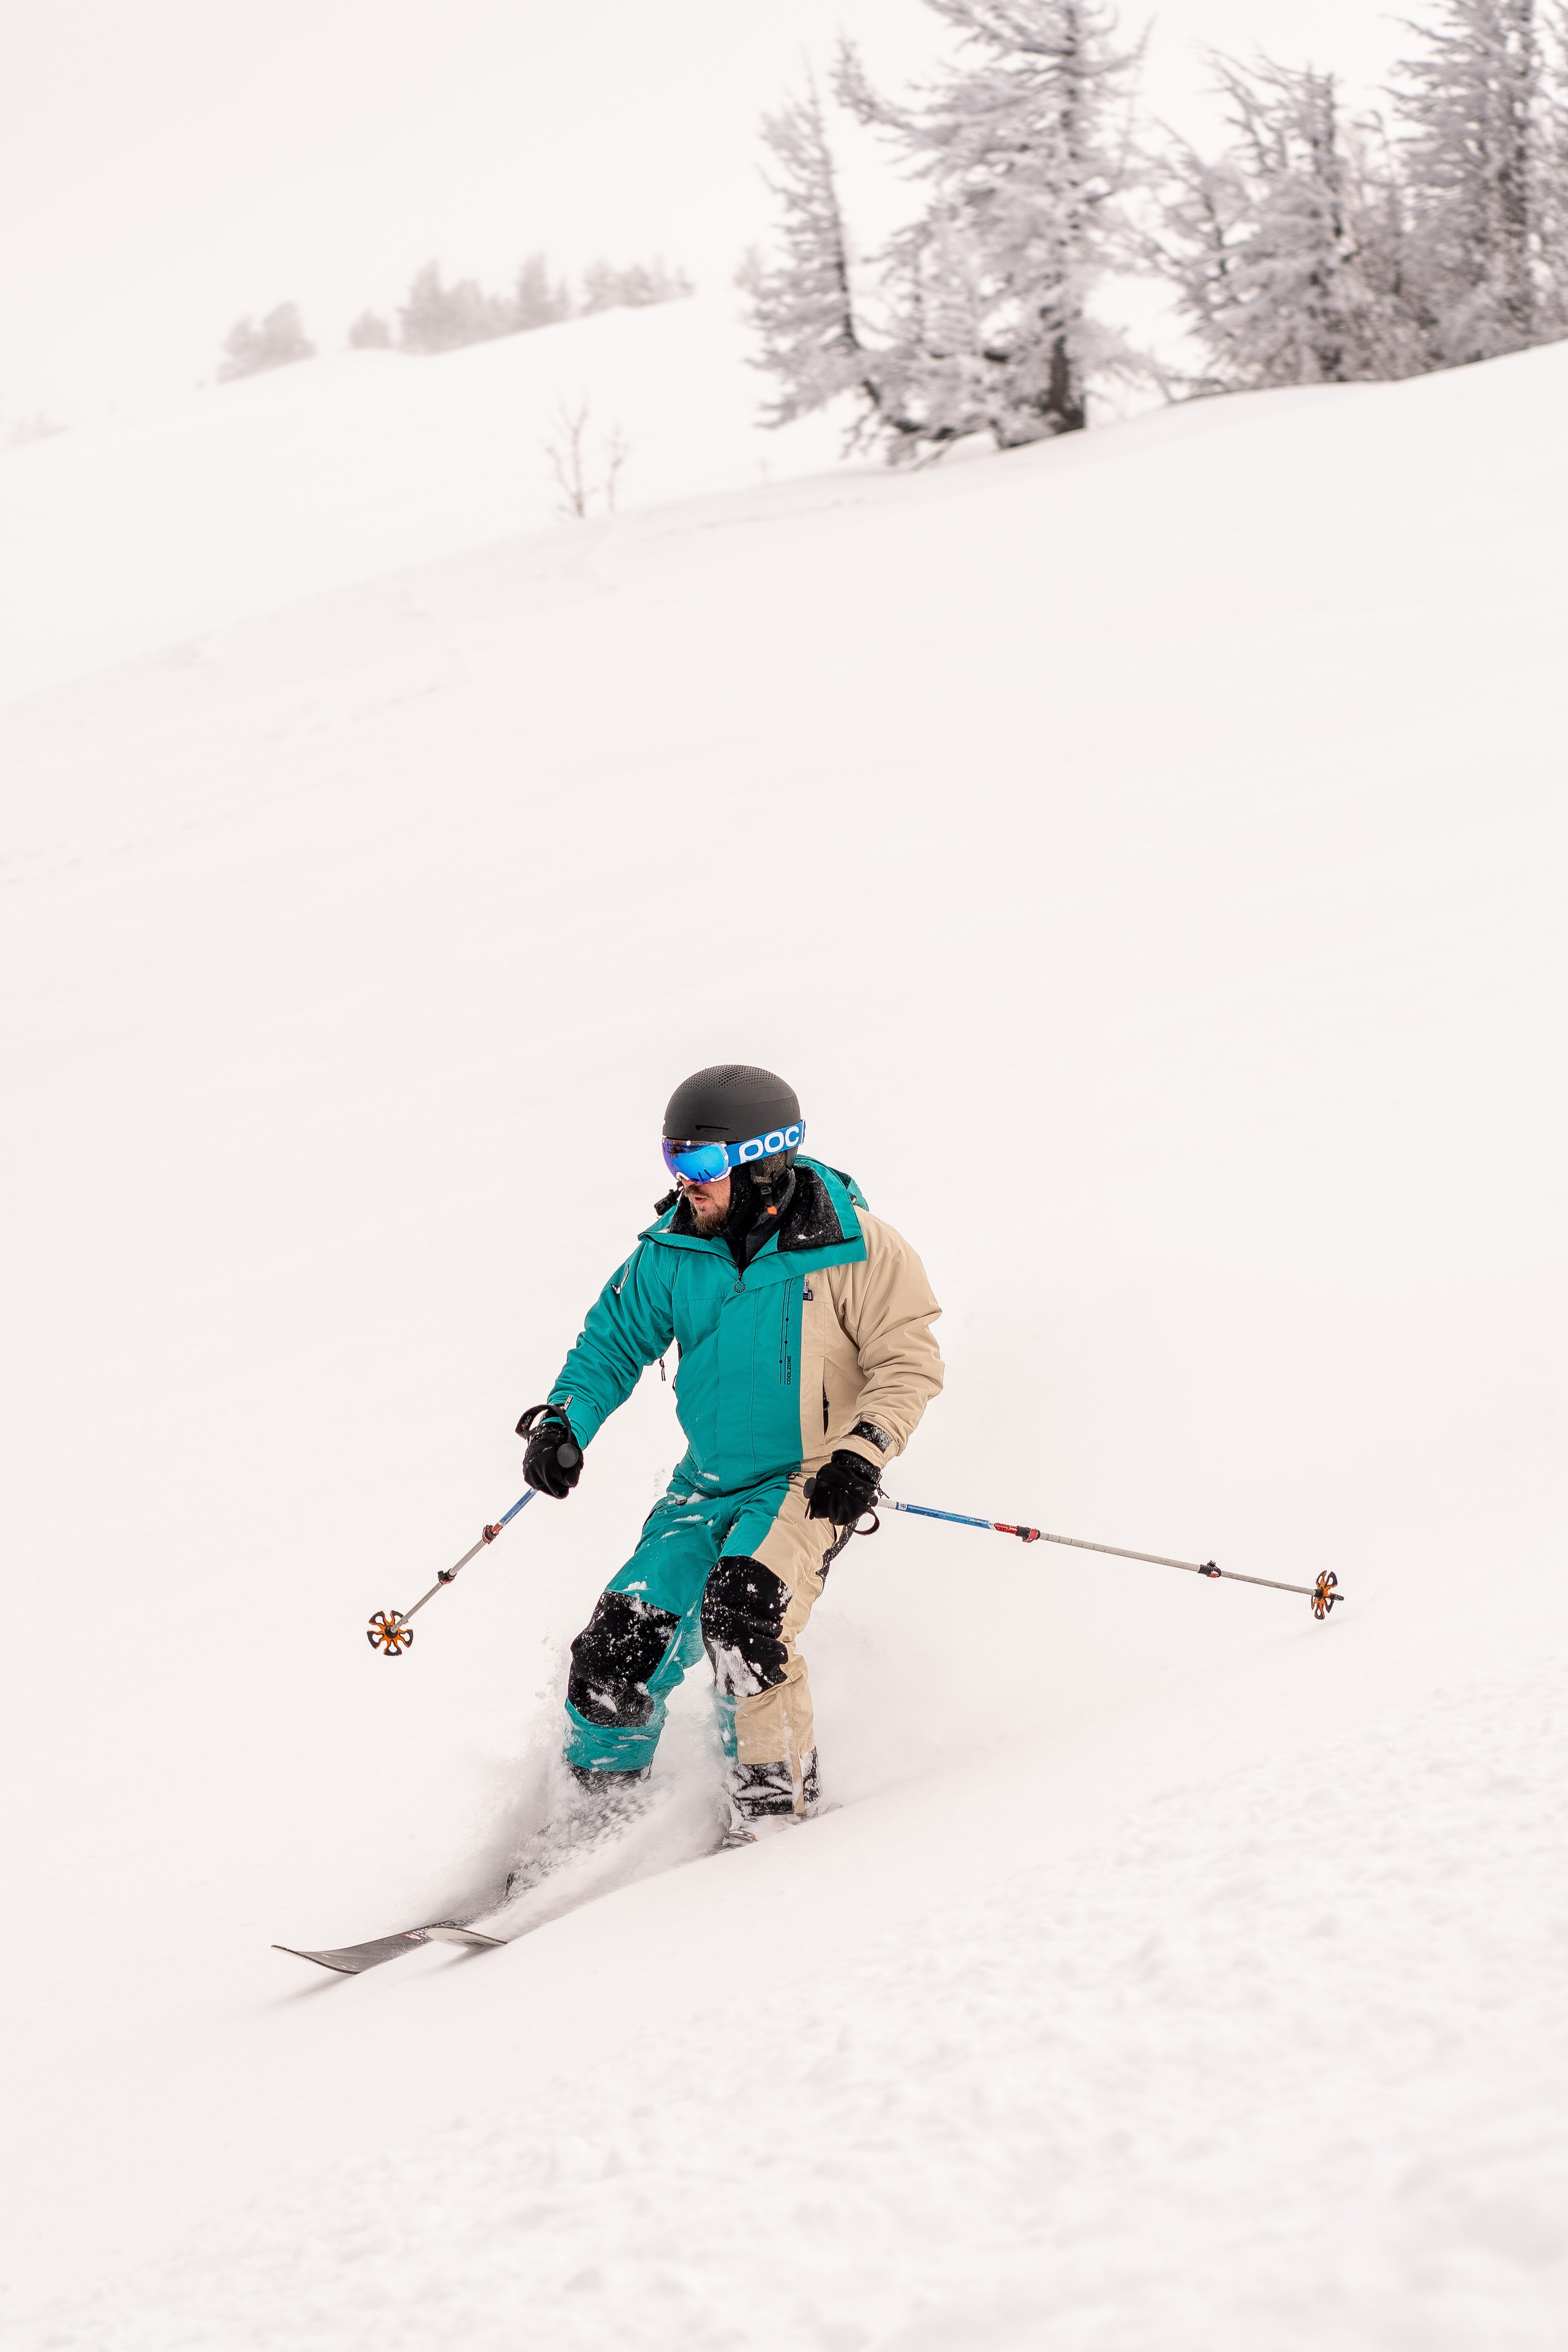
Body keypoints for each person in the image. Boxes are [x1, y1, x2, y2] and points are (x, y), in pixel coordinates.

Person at [516, 1064, 943, 1838]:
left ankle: (772, 1817)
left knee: (744, 1617)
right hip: (705, 1487)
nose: (686, 1184)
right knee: (613, 1651)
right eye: (673, 1162)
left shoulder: (855, 1248)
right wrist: (562, 1425)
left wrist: (861, 1453)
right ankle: (591, 1833)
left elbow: (905, 1362)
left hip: (811, 1480)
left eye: (703, 1165)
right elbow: (609, 1347)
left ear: (763, 1160)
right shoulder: (673, 1251)